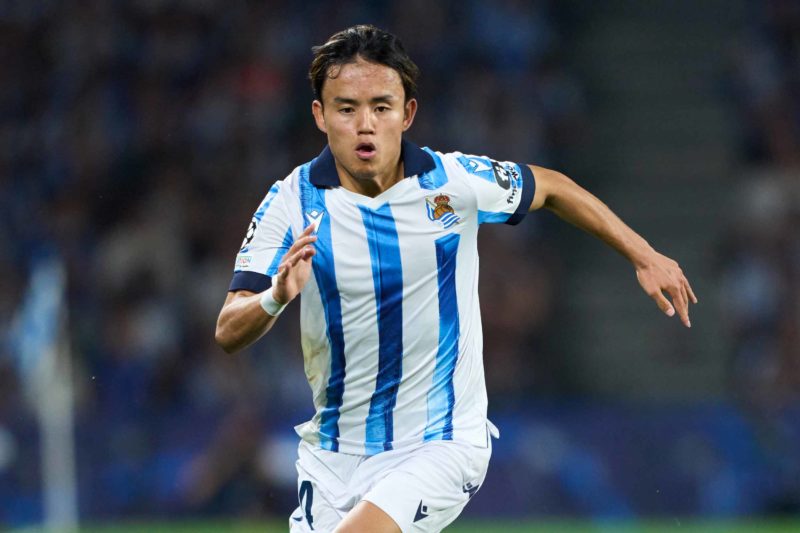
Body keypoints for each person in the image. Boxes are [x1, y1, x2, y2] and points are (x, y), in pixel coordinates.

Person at [215, 24, 697, 533]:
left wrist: (643, 254)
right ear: (320, 115)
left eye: (381, 107)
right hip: (333, 456)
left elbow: (551, 187)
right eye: (346, 108)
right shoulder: (290, 203)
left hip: (440, 443)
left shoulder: (452, 183)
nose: (365, 125)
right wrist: (276, 296)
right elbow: (228, 329)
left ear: (407, 113)